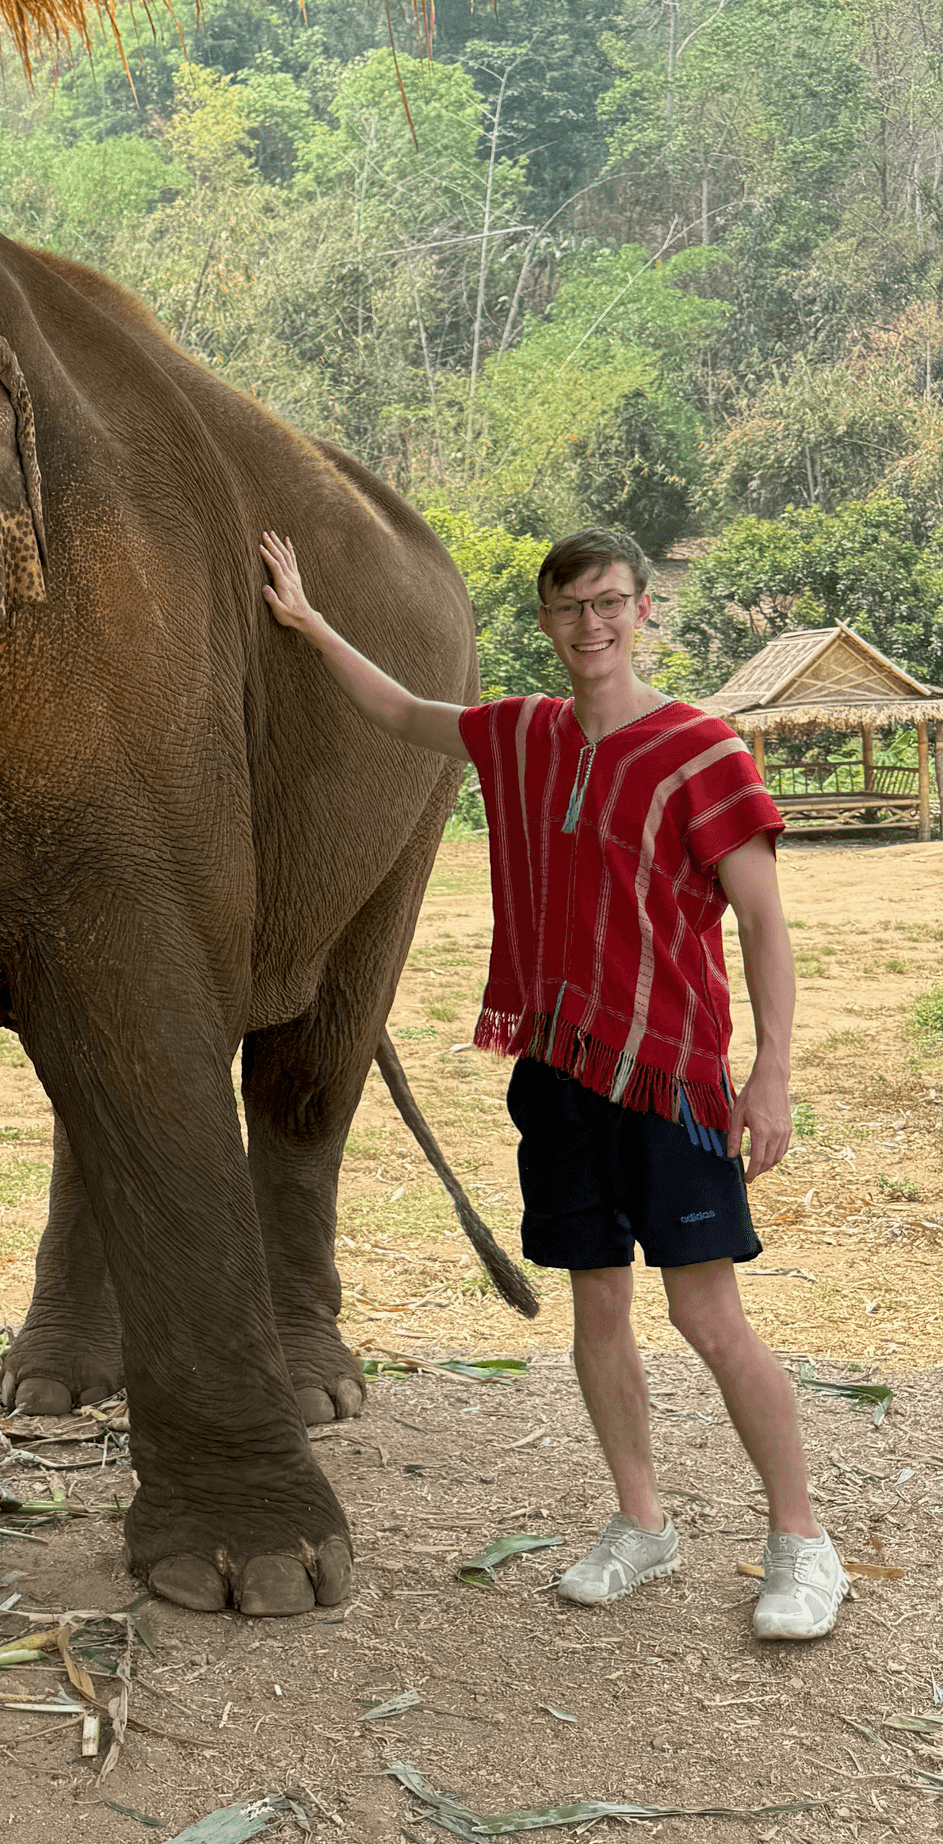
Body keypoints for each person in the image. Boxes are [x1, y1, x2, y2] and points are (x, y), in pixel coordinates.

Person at [259, 522, 845, 1641]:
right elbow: (396, 711)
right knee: (596, 1308)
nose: (591, 625)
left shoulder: (699, 752)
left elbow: (763, 924)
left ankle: (800, 1545)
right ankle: (642, 1524)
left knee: (707, 1316)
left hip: (668, 1076)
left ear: (638, 612)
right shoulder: (520, 736)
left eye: (609, 603)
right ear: (546, 622)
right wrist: (306, 618)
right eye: (569, 608)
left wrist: (767, 1077)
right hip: (556, 1068)